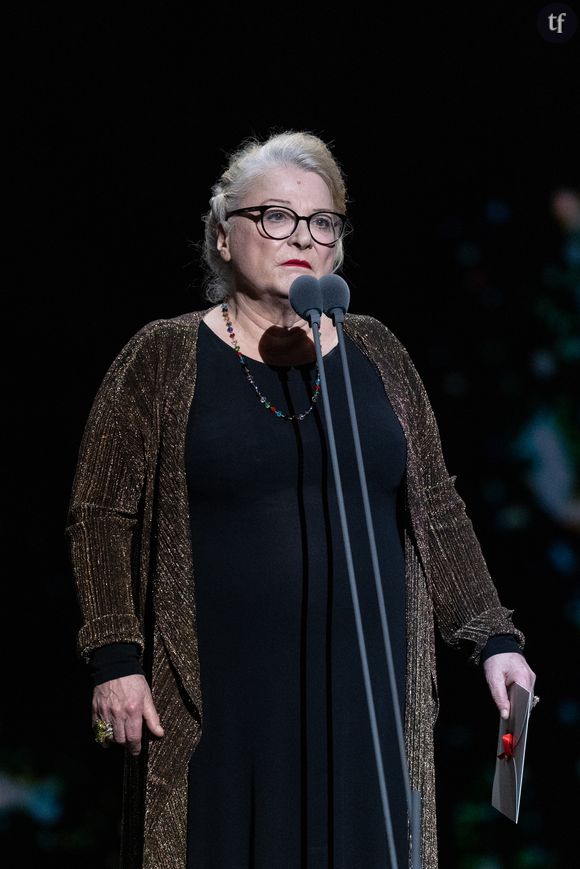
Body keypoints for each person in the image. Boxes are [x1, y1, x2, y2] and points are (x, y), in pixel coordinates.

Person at [66, 130, 536, 869]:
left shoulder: (376, 351)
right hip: (221, 704)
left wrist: (495, 638)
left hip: (365, 698)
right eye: (275, 217)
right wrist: (114, 658)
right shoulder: (160, 356)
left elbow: (437, 507)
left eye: (322, 223)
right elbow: (99, 514)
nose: (302, 237)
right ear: (225, 236)